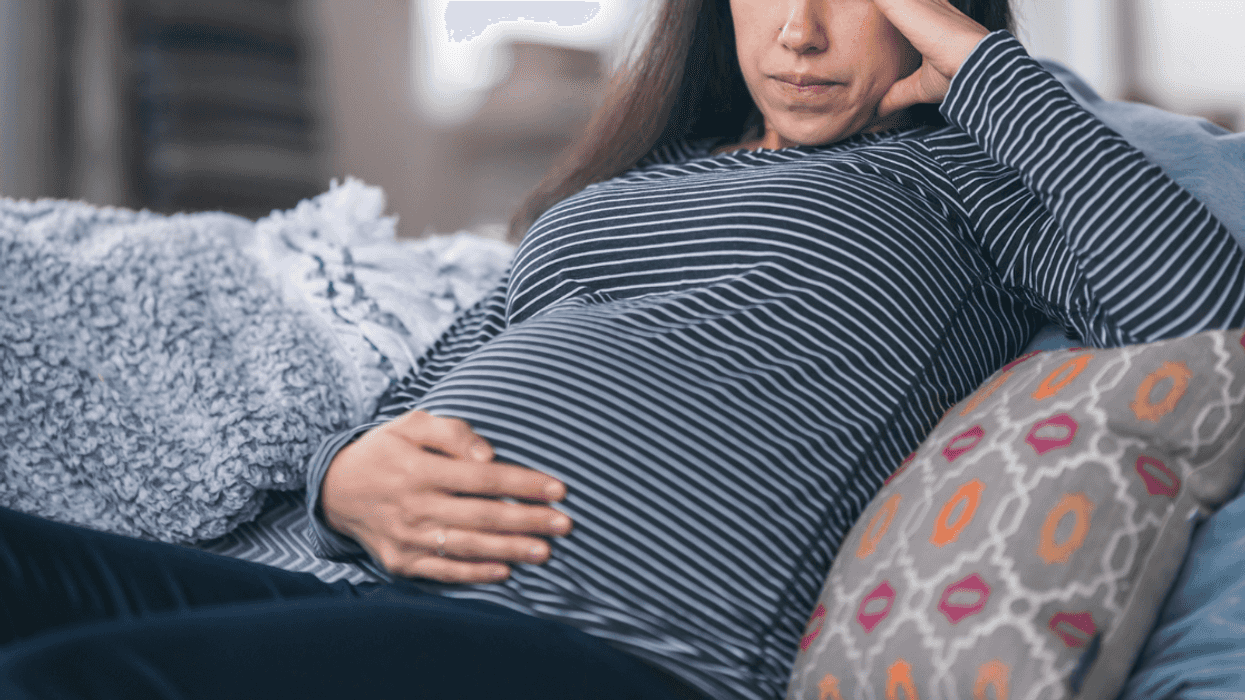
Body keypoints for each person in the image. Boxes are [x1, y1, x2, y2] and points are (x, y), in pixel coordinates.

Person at [2, 0, 1243, 698]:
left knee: (76, 682)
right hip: (377, 599)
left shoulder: (970, 182)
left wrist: (982, 67)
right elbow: (419, 393)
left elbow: (1199, 301)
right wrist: (342, 481)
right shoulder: (638, 184)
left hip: (612, 652)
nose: (800, 32)